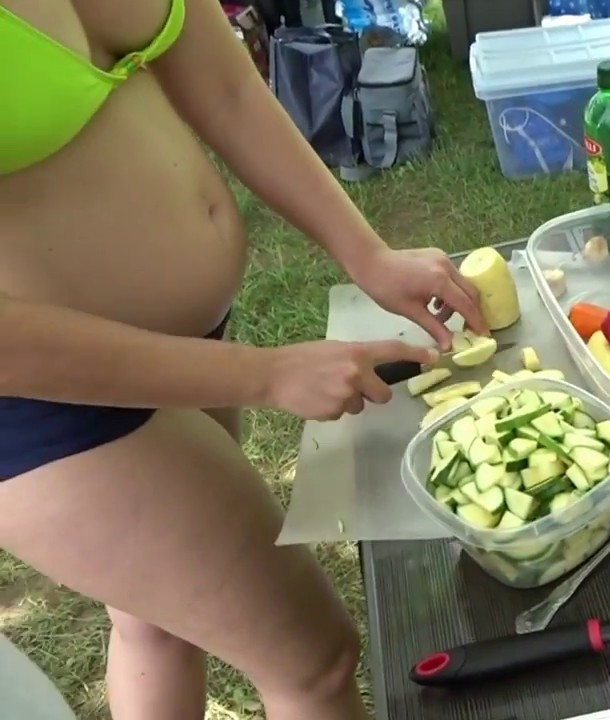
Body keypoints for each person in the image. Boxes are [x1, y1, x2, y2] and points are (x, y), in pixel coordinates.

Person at [0, 1, 488, 718]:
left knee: (156, 623)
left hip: (182, 345)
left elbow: (226, 91)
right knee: (312, 659)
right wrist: (266, 374)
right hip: (53, 404)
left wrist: (368, 253)